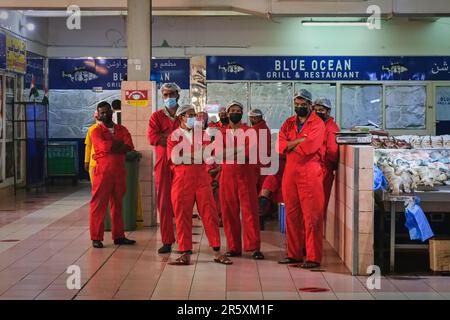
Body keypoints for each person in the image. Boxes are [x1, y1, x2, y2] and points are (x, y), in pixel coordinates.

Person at [166, 105, 232, 265]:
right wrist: (197, 154)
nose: (194, 118)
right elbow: (174, 159)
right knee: (182, 216)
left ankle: (217, 252)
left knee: (210, 215)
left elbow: (208, 157)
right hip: (182, 180)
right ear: (181, 117)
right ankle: (185, 253)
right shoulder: (173, 137)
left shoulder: (202, 134)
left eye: (194, 115)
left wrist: (188, 155)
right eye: (190, 115)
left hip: (202, 179)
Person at [277, 89, 325, 268]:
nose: (299, 107)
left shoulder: (317, 123)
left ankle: (313, 257)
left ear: (310, 105)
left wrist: (291, 145)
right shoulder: (289, 123)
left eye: (303, 105)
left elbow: (310, 147)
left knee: (312, 216)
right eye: (297, 105)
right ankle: (294, 254)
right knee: (292, 214)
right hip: (290, 172)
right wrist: (298, 141)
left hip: (309, 172)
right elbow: (279, 145)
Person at [217, 101, 264, 260]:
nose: (235, 112)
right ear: (227, 113)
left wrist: (228, 153)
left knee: (250, 212)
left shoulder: (249, 131)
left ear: (242, 113)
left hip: (246, 177)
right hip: (227, 177)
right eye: (232, 110)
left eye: (238, 110)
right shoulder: (221, 133)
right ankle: (233, 247)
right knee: (229, 213)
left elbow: (248, 154)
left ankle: (254, 247)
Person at [89, 101, 136, 248]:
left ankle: (119, 236)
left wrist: (111, 146)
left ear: (112, 112)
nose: (105, 114)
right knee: (98, 205)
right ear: (98, 114)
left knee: (118, 205)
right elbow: (102, 146)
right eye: (101, 112)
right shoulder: (96, 131)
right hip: (103, 173)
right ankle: (96, 237)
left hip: (119, 172)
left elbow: (129, 146)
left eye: (107, 111)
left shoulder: (122, 129)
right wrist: (117, 145)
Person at [148, 82, 181, 254]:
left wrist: (165, 137)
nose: (168, 98)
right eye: (165, 95)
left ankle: (184, 242)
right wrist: (176, 137)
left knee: (183, 203)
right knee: (164, 202)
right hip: (163, 163)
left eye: (171, 94)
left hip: (183, 163)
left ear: (178, 95)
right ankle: (167, 240)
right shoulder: (156, 117)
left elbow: (193, 137)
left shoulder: (185, 115)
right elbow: (153, 138)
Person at [313, 98, 340, 226]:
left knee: (318, 208)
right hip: (315, 170)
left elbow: (333, 152)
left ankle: (313, 239)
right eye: (316, 110)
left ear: (328, 111)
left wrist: (331, 165)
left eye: (321, 110)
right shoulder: (316, 125)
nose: (318, 112)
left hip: (324, 171)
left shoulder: (331, 127)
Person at [248, 108, 271, 230]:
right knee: (262, 190)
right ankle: (259, 217)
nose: (252, 119)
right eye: (251, 117)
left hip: (258, 164)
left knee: (258, 191)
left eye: (254, 117)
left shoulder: (257, 130)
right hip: (261, 163)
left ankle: (258, 218)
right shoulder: (263, 128)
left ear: (259, 117)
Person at [84, 111, 100, 182]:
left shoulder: (111, 129)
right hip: (94, 163)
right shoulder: (91, 129)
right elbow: (88, 146)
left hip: (106, 164)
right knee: (95, 187)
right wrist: (86, 161)